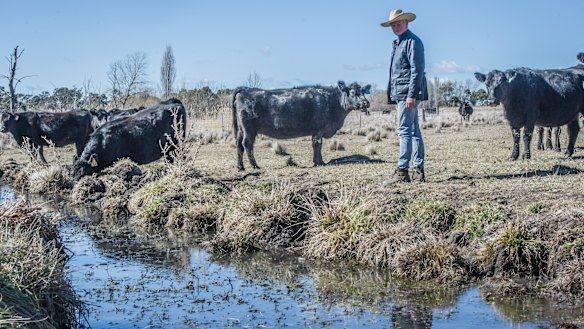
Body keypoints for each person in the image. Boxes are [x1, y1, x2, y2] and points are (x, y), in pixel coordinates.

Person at [381, 9, 428, 183]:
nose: (395, 27)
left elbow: (417, 71)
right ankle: (418, 170)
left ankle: (402, 171)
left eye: (398, 23)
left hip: (407, 93)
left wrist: (410, 95)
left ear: (406, 23)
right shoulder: (399, 43)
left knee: (404, 131)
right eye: (393, 25)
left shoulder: (412, 42)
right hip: (402, 93)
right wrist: (395, 96)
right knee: (413, 131)